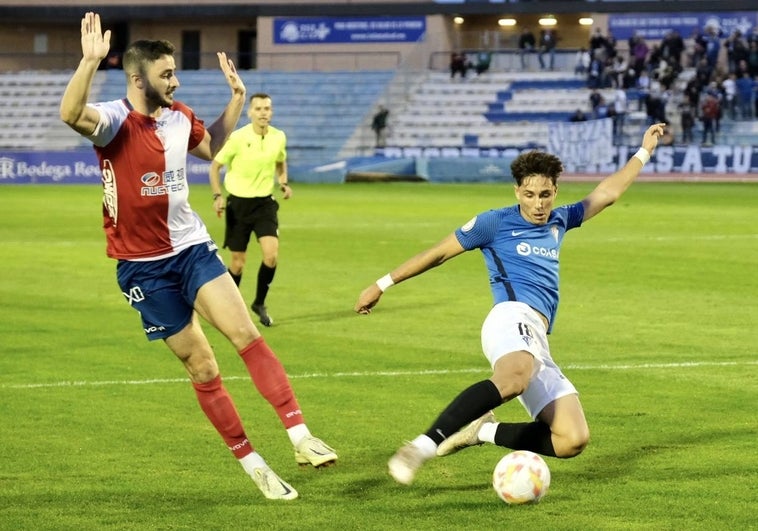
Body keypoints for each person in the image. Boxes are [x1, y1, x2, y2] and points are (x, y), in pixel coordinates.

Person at [59, 12, 336, 501]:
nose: (175, 80)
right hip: (142, 266)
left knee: (245, 334)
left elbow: (212, 149)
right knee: (204, 367)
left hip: (190, 248)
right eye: (166, 73)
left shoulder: (178, 116)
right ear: (138, 77)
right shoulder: (114, 120)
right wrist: (87, 62)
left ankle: (300, 436)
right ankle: (255, 467)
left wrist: (237, 100)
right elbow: (69, 114)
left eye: (175, 72)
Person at [354, 124, 666, 486]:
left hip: (537, 337)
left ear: (555, 191)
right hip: (509, 317)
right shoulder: (494, 222)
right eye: (530, 194)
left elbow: (608, 192)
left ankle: (481, 431)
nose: (538, 204)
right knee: (514, 378)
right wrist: (382, 284)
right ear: (517, 190)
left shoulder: (561, 220)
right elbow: (439, 253)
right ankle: (421, 446)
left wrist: (644, 151)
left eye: (545, 195)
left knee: (572, 438)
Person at [209, 93, 291, 327]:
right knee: (237, 263)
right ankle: (227, 308)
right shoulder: (237, 137)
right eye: (259, 109)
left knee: (271, 255)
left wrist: (283, 181)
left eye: (267, 108)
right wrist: (217, 196)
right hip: (239, 205)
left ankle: (259, 303)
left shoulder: (278, 137)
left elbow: (280, 160)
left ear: (271, 112)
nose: (263, 112)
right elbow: (215, 167)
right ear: (250, 113)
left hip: (264, 204)